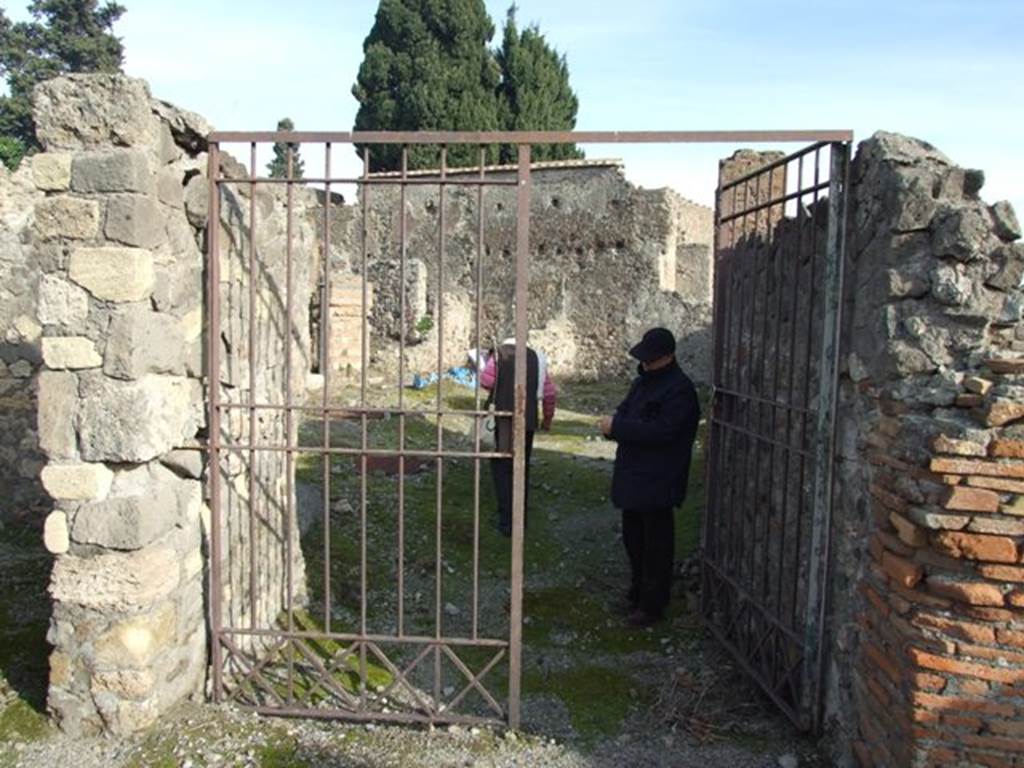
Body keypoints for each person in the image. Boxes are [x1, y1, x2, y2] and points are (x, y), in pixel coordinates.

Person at [599, 327, 700, 626]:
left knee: (656, 546)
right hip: (634, 476)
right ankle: (637, 593)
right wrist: (617, 424)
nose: (645, 364)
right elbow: (626, 413)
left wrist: (618, 428)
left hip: (659, 479)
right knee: (634, 541)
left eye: (651, 360)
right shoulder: (642, 384)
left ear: (667, 357)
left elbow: (663, 431)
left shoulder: (680, 390)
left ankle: (652, 605)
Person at [480, 337, 556, 536]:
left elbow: (486, 381)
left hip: (505, 418)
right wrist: (547, 419)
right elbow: (549, 392)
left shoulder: (499, 354)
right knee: (521, 467)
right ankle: (520, 519)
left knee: (503, 467)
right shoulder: (536, 357)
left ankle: (506, 522)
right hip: (527, 419)